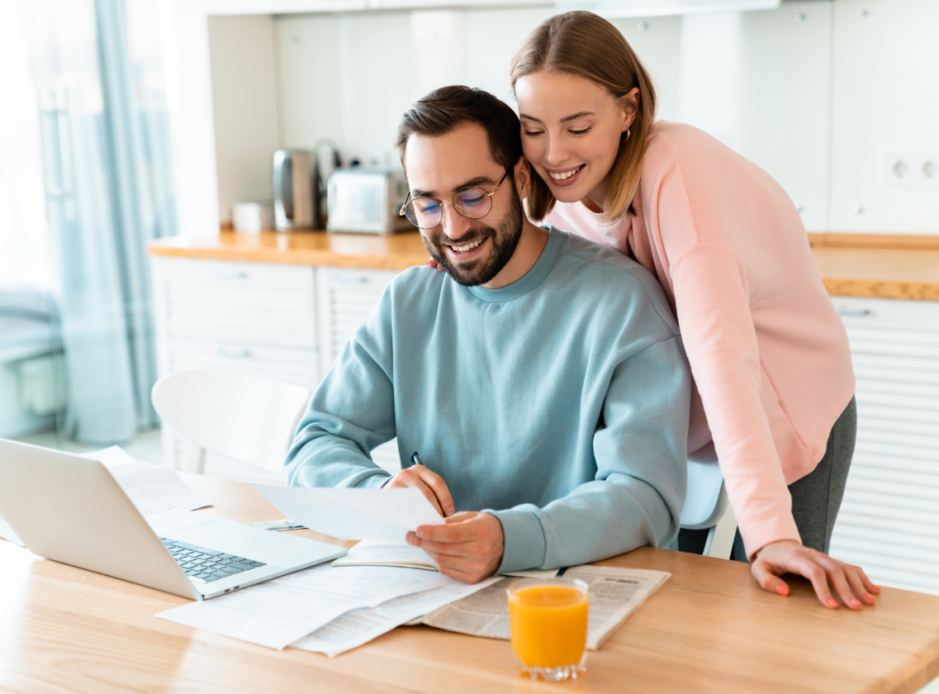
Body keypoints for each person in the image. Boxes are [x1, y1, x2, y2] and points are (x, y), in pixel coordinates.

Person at [502, 10, 878, 608]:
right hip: (684, 424)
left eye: (577, 127)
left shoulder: (680, 179)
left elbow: (721, 355)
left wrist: (770, 532)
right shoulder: (562, 201)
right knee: (687, 616)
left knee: (771, 610)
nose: (554, 153)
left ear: (628, 110)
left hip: (781, 404)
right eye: (533, 128)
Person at [285, 85, 691, 584]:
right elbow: (315, 442)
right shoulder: (409, 302)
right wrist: (378, 494)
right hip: (435, 588)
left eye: (473, 196)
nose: (452, 228)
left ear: (521, 176)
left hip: (576, 591)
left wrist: (511, 539)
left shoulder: (621, 303)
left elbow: (646, 496)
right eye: (427, 205)